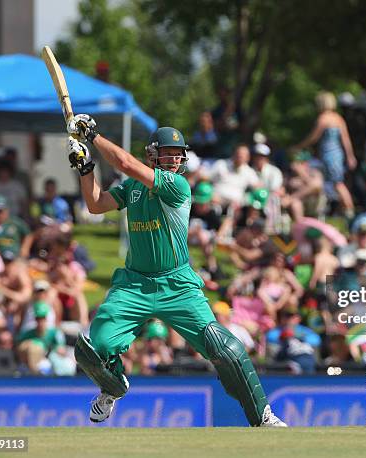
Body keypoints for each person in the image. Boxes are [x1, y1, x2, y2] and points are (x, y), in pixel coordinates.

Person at [65, 114, 286, 427]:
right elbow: (96, 204)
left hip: (177, 285)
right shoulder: (133, 188)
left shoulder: (178, 185)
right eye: (167, 154)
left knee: (223, 347)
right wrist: (86, 169)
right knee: (93, 348)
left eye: (178, 155)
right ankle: (112, 386)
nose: (173, 160)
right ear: (152, 155)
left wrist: (93, 137)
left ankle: (263, 416)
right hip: (134, 285)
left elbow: (125, 163)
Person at [292, 91, 357, 217]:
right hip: (338, 155)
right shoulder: (338, 118)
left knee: (337, 183)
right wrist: (350, 156)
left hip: (329, 156)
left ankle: (350, 210)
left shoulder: (323, 118)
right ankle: (344, 210)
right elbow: (346, 139)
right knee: (336, 182)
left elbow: (313, 137)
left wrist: (300, 146)